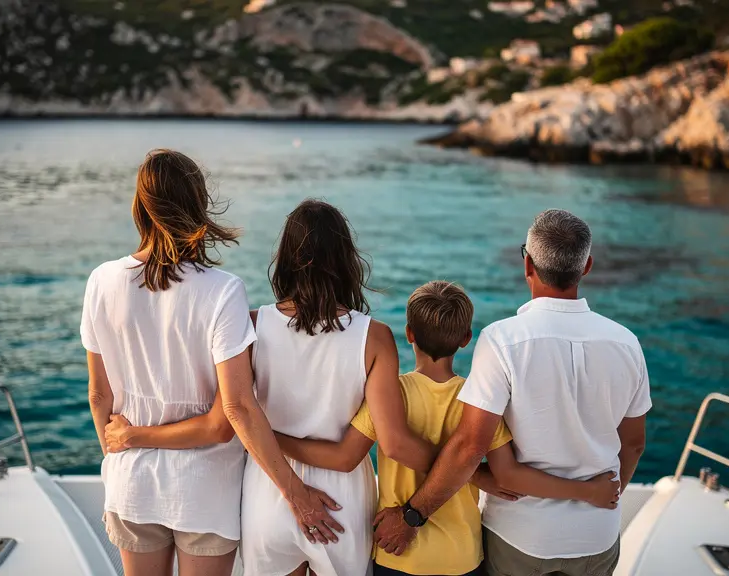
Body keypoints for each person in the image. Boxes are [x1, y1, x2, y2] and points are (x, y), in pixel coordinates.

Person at [108, 198, 437, 576]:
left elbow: (233, 414)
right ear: (347, 259)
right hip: (342, 501)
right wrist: (463, 470)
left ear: (286, 260)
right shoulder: (374, 337)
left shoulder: (252, 326)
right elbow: (393, 441)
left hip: (269, 493)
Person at [371, 209, 651, 576]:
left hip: (522, 538)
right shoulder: (627, 343)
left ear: (527, 265)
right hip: (596, 536)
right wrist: (604, 497)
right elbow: (633, 445)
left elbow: (471, 448)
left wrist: (413, 515)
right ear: (586, 267)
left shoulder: (503, 341)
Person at [275, 281, 622, 576]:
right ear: (466, 339)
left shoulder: (389, 395)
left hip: (397, 554)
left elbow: (344, 455)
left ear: (409, 333)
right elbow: (503, 475)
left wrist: (271, 438)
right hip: (461, 558)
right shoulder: (479, 402)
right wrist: (586, 490)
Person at [82, 149, 255, 576]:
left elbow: (99, 395)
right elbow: (221, 424)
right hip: (205, 490)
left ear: (140, 206)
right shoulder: (223, 291)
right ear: (198, 205)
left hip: (131, 484)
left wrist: (122, 452)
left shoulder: (102, 280)